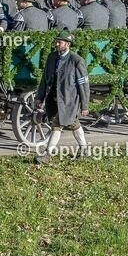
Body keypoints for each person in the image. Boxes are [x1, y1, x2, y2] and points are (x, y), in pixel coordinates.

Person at [34, 29, 91, 164]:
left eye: (60, 42)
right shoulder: (52, 57)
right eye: (56, 42)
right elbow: (44, 79)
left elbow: (83, 85)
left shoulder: (77, 61)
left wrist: (85, 105)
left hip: (69, 101)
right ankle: (84, 150)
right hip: (54, 100)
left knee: (56, 125)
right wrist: (39, 97)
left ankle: (47, 155)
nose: (57, 44)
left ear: (68, 44)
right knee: (74, 125)